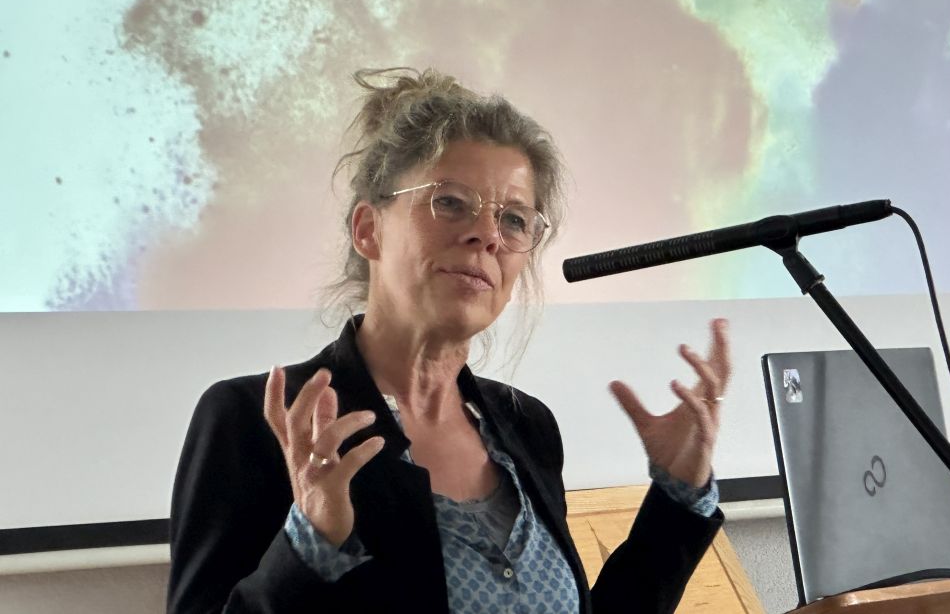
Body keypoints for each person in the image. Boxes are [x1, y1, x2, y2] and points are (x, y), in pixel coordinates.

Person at [167, 68, 731, 614]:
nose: (487, 235)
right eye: (452, 203)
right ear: (368, 229)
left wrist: (679, 495)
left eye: (515, 220)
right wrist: (310, 543)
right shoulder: (259, 421)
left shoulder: (527, 427)